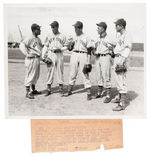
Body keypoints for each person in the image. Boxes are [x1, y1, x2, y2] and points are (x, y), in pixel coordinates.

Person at [66, 21, 95, 100]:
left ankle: (88, 92)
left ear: (80, 28)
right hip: (74, 54)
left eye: (76, 28)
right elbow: (69, 49)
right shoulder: (73, 36)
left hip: (83, 54)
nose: (75, 29)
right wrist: (70, 44)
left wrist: (88, 61)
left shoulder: (87, 37)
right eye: (74, 27)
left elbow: (89, 49)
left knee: (85, 73)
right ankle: (69, 90)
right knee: (72, 72)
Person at [42, 21, 68, 96]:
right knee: (49, 71)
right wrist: (43, 57)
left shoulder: (62, 36)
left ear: (57, 27)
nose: (52, 28)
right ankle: (48, 89)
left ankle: (60, 89)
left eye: (53, 27)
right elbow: (45, 46)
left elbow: (66, 46)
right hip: (51, 54)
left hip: (59, 54)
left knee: (60, 71)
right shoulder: (48, 35)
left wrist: (61, 49)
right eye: (51, 27)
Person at [111, 18, 132, 111]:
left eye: (117, 25)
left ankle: (122, 104)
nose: (115, 27)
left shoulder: (127, 35)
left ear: (122, 26)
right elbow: (118, 46)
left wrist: (122, 61)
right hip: (118, 57)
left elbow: (127, 49)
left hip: (122, 58)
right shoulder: (121, 35)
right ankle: (119, 98)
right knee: (118, 79)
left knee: (121, 80)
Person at [19, 23, 43, 99]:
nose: (40, 30)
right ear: (34, 30)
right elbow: (21, 45)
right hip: (31, 59)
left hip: (37, 58)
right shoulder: (29, 37)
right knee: (30, 75)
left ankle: (33, 90)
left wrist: (43, 58)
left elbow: (39, 50)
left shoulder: (38, 39)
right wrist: (26, 54)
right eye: (38, 29)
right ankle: (27, 92)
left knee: (36, 75)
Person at [93, 22, 114, 103]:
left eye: (98, 28)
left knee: (106, 75)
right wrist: (94, 52)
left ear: (103, 29)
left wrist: (111, 50)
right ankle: (99, 92)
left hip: (106, 57)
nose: (97, 29)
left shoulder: (110, 38)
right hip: (98, 57)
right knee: (98, 75)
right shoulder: (97, 38)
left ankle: (108, 95)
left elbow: (114, 51)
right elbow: (93, 49)